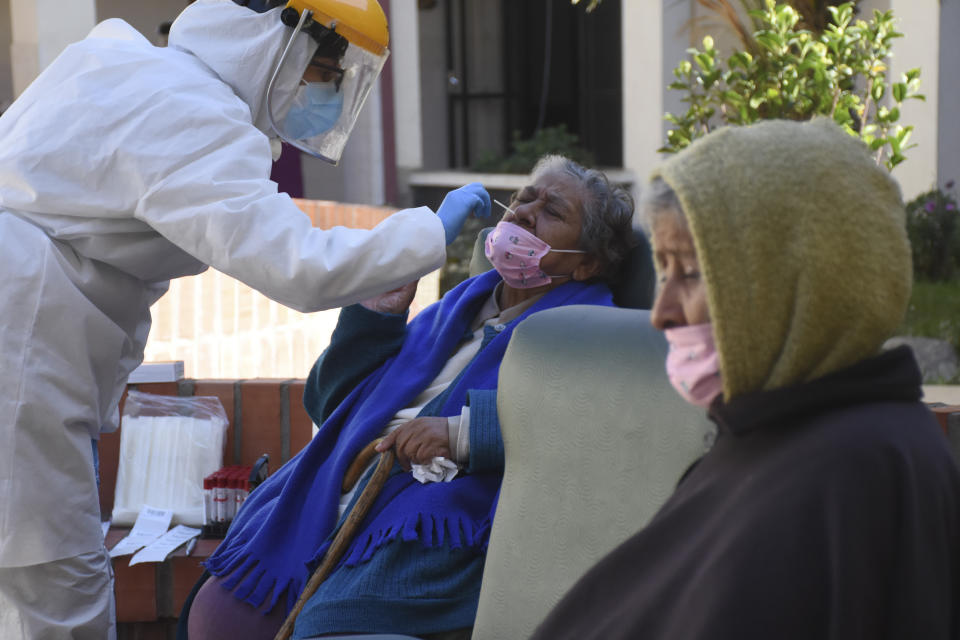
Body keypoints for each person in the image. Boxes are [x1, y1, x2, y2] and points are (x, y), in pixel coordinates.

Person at [0, 1, 491, 638]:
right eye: (323, 71)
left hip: (28, 328)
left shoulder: (122, 61)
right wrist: (430, 229)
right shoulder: (193, 115)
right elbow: (302, 265)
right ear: (272, 43)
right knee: (55, 581)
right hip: (22, 344)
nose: (325, 93)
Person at [531, 118, 960, 639]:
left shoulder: (854, 472)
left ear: (794, 279)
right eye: (664, 273)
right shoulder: (766, 431)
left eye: (690, 274)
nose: (661, 313)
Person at [181, 155, 636, 640]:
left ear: (587, 263)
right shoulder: (453, 308)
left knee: (328, 624)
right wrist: (377, 314)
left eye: (553, 211)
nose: (525, 212)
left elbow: (586, 424)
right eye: (526, 197)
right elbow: (328, 403)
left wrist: (462, 434)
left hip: (426, 517)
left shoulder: (592, 329)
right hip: (343, 483)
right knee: (215, 612)